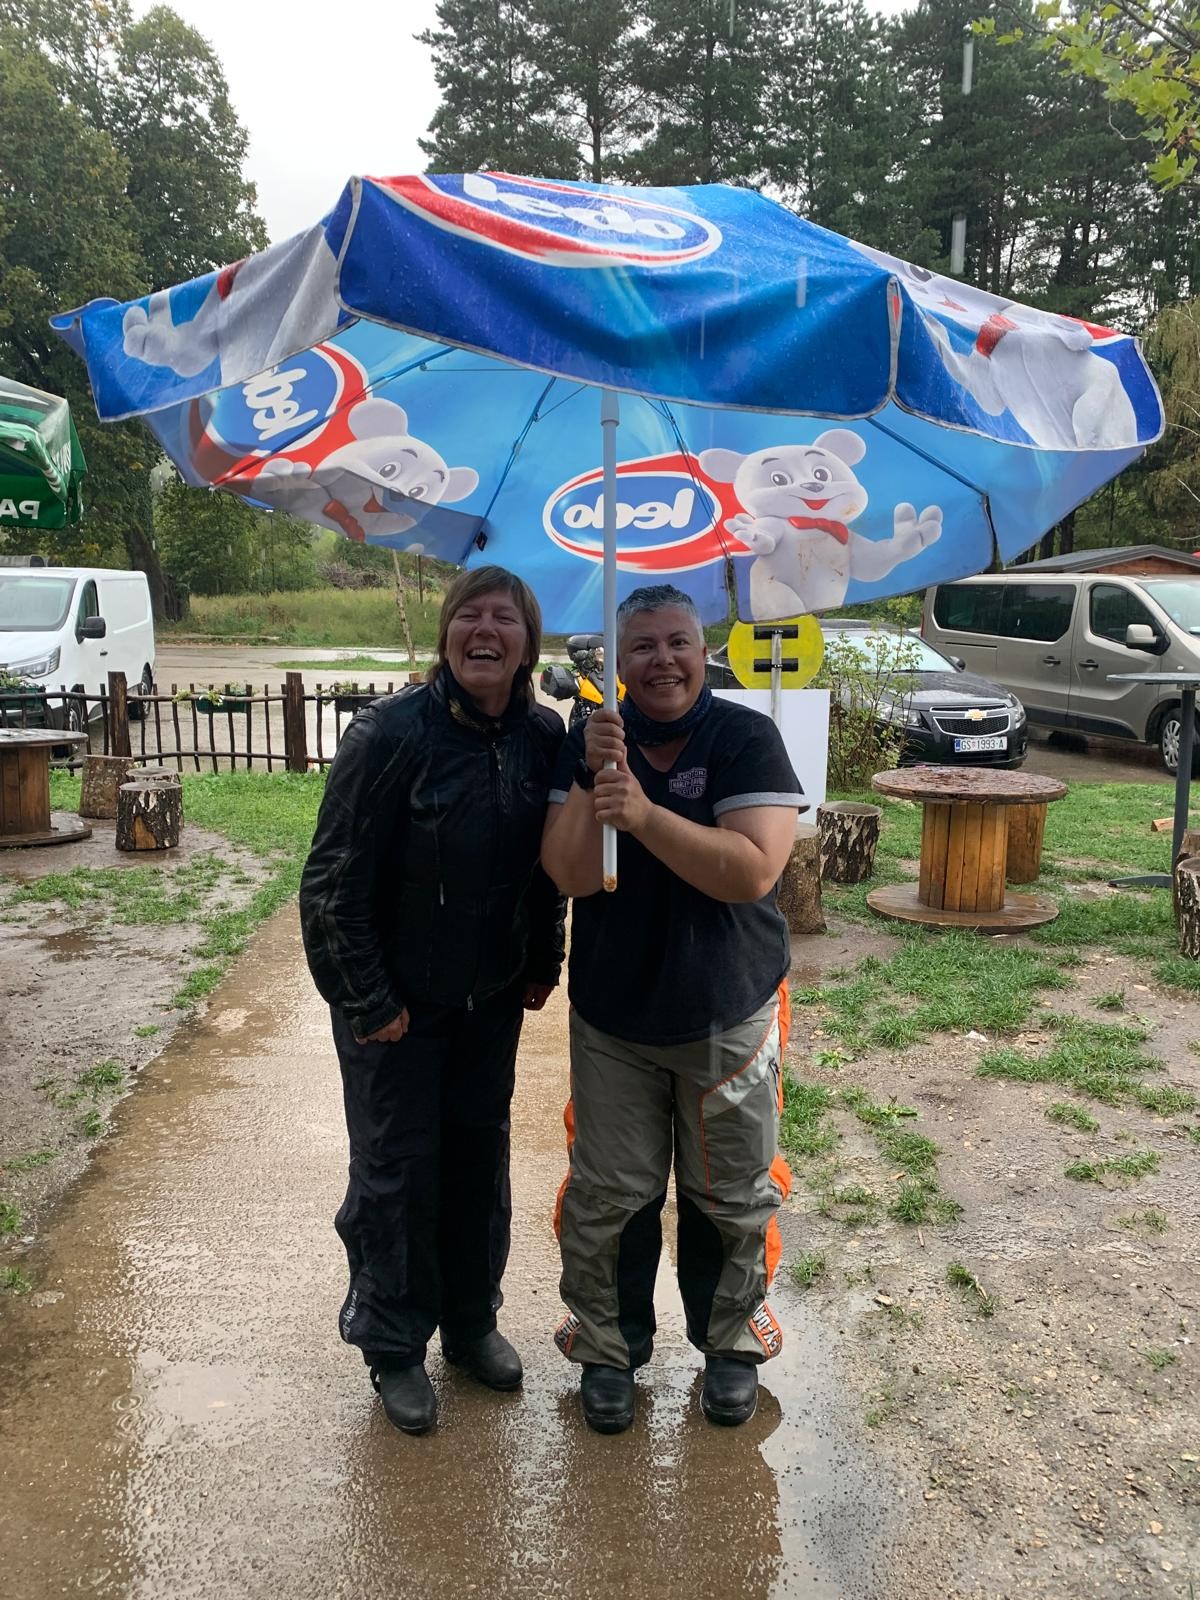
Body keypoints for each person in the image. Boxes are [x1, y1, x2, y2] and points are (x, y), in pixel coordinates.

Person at [300, 566, 565, 1436]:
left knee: (478, 1159)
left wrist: (542, 957)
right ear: (447, 633)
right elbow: (332, 884)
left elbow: (546, 868)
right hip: (397, 1006)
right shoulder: (390, 735)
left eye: (505, 618)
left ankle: (471, 1321)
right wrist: (368, 999)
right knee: (396, 1170)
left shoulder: (543, 734)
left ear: (529, 644)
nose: (485, 630)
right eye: (468, 615)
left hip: (489, 1000)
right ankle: (393, 1345)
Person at [541, 583, 802, 1434]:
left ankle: (729, 1347)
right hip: (614, 1016)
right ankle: (607, 1351)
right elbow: (569, 874)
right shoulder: (592, 740)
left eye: (678, 642)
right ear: (619, 659)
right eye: (643, 645)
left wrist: (646, 815)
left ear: (703, 649)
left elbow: (751, 870)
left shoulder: (744, 738)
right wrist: (595, 777)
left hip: (728, 1007)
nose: (662, 660)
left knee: (730, 1192)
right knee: (609, 1194)